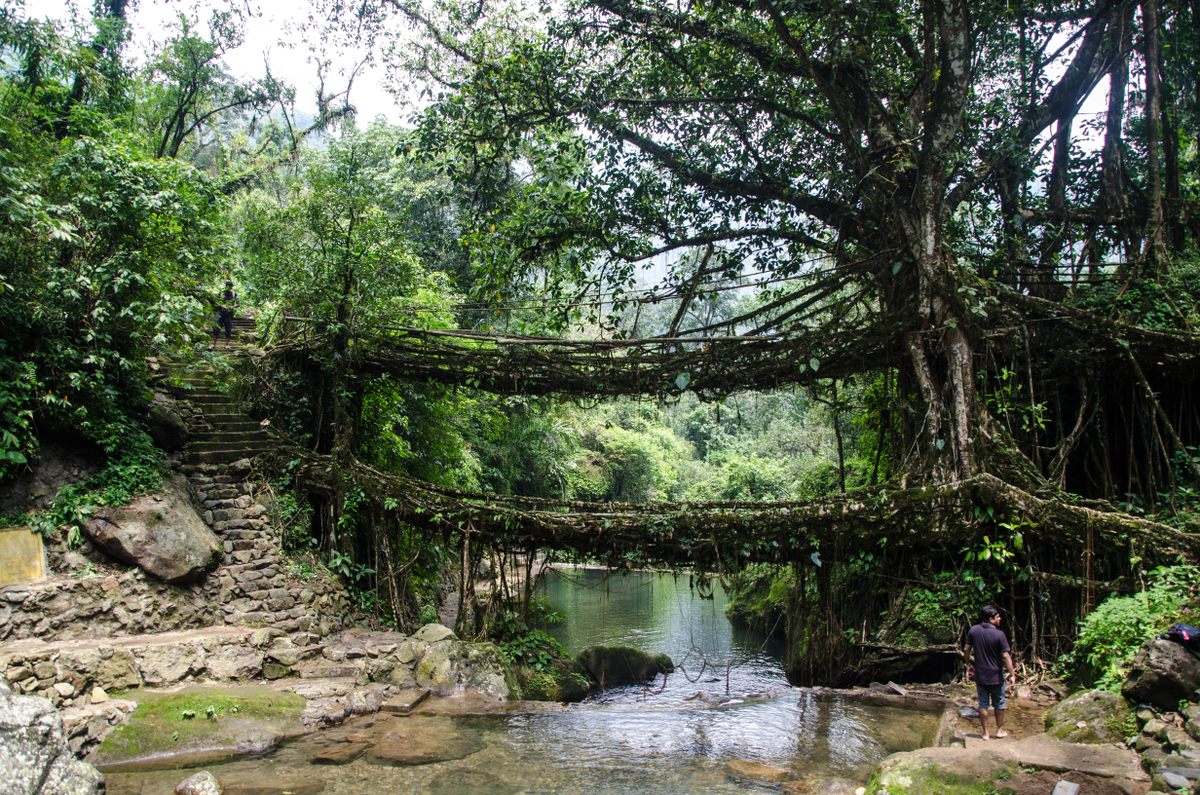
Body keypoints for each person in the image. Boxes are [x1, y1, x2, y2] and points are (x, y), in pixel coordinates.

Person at [963, 604, 1017, 740]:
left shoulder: (973, 630)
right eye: (998, 617)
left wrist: (967, 662)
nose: (1000, 619)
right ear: (991, 619)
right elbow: (1005, 656)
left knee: (983, 704)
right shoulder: (999, 634)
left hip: (980, 675)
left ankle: (986, 733)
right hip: (996, 676)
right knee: (999, 704)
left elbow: (966, 649)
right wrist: (1012, 674)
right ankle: (999, 731)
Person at [209, 280, 238, 350]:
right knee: (216, 328)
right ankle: (213, 344)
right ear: (226, 286)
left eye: (231, 286)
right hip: (220, 313)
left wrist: (232, 307)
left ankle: (226, 345)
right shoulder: (221, 293)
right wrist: (222, 305)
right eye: (228, 286)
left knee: (228, 329)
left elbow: (238, 304)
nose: (229, 287)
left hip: (229, 314)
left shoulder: (234, 294)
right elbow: (216, 302)